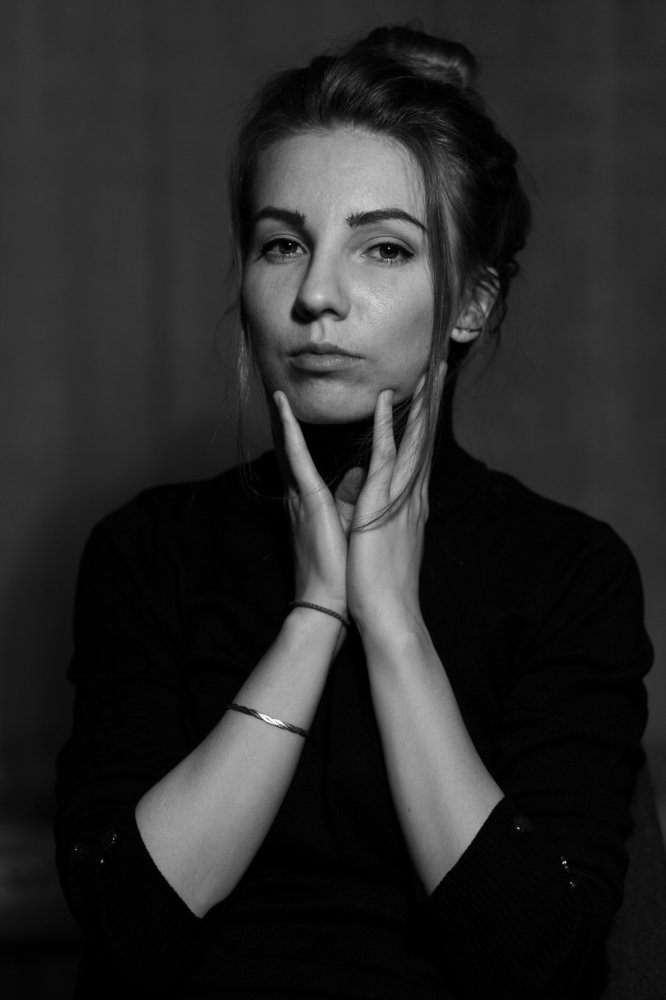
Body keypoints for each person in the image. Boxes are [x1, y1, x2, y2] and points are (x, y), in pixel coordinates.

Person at [54, 23, 653, 1000]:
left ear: (472, 303)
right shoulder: (148, 551)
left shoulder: (567, 572)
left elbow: (535, 962)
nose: (317, 295)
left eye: (383, 248)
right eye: (282, 244)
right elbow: (133, 927)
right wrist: (315, 613)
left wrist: (392, 623)